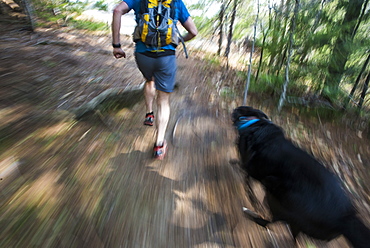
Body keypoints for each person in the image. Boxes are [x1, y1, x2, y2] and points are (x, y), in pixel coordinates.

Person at [112, 0, 197, 160]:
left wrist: (116, 45)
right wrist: (177, 41)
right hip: (166, 57)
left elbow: (117, 11)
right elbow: (193, 31)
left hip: (143, 55)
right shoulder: (176, 2)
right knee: (163, 100)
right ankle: (159, 144)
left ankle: (149, 114)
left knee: (149, 80)